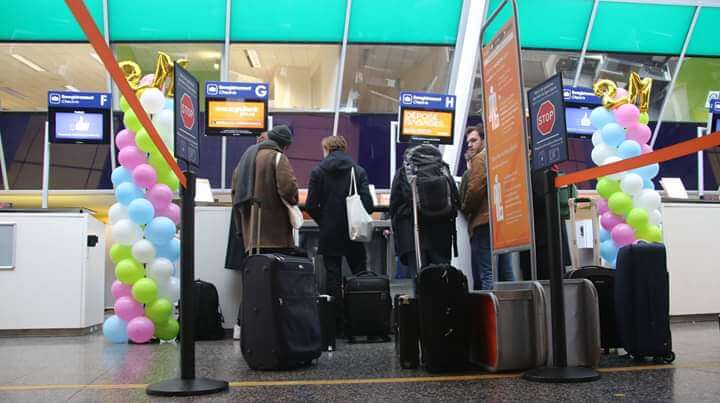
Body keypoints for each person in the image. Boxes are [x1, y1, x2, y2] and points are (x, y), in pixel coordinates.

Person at [305, 136, 373, 336]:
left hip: (330, 232)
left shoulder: (318, 171)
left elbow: (310, 205)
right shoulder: (358, 171)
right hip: (354, 232)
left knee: (333, 278)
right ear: (344, 149)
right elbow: (368, 204)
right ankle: (361, 320)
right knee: (359, 274)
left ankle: (336, 325)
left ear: (326, 149)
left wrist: (324, 221)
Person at [389, 144, 459, 290]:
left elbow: (394, 206)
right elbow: (456, 200)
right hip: (441, 237)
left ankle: (422, 312)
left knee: (420, 282)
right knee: (443, 281)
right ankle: (443, 311)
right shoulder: (442, 171)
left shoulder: (404, 173)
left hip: (413, 237)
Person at [460, 125, 514, 290]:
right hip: (502, 221)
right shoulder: (500, 157)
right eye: (468, 141)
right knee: (506, 273)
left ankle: (490, 315)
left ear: (483, 140)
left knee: (487, 274)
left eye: (474, 140)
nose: (470, 144)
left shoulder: (479, 159)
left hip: (483, 223)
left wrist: (466, 207)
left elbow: (475, 190)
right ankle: (510, 312)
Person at [235, 125, 299, 253]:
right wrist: (294, 201)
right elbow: (288, 189)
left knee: (257, 270)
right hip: (275, 235)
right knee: (277, 271)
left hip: (250, 235)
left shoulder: (245, 159)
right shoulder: (277, 157)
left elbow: (235, 193)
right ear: (285, 146)